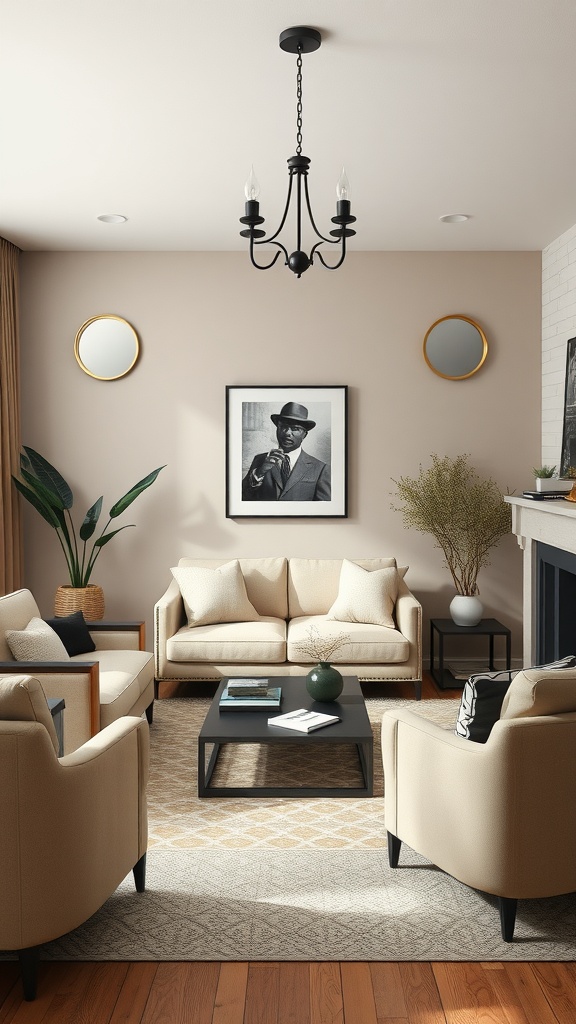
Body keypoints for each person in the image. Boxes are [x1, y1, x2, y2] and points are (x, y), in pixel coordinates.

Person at [242, 402, 331, 501]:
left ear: (304, 435)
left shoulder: (320, 469)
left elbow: (323, 510)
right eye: (283, 427)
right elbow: (241, 499)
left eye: (295, 429)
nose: (287, 433)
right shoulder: (259, 460)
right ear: (277, 429)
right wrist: (259, 473)